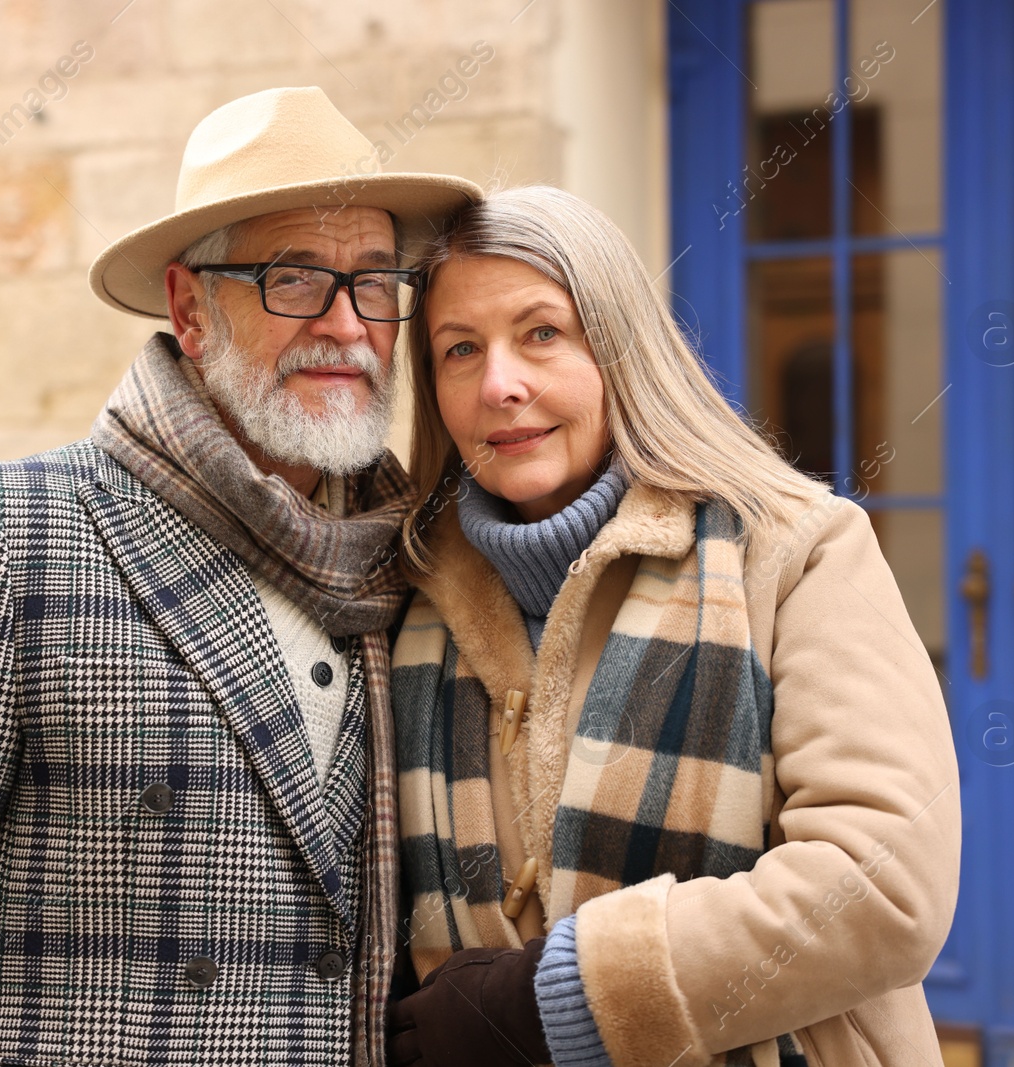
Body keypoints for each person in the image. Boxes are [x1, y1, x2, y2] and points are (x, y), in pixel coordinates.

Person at [0, 86, 479, 1066]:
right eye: (293, 277)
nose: (347, 322)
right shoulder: (7, 529)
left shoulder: (422, 568)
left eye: (372, 281)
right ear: (190, 308)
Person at [385, 186, 961, 1067]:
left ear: (620, 350)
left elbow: (883, 885)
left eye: (542, 332)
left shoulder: (795, 549)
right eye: (460, 349)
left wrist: (559, 1003)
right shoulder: (408, 594)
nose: (500, 383)